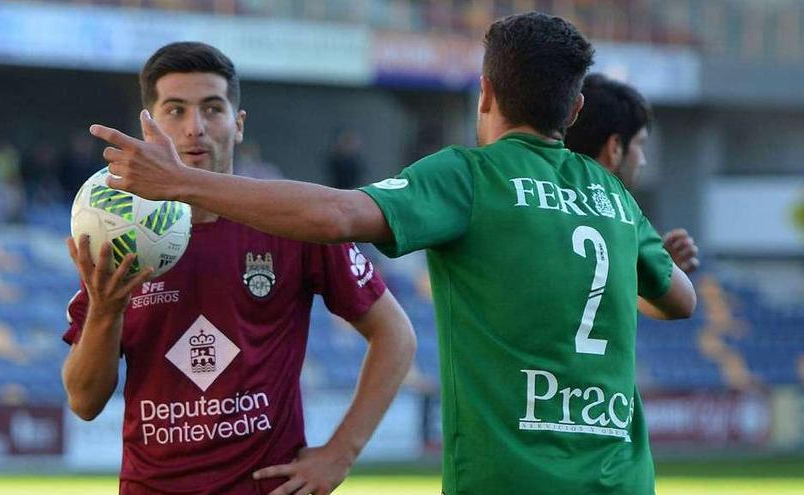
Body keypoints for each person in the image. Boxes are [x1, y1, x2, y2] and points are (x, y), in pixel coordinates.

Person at [90, 13, 697, 495]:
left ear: (484, 93)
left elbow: (338, 216)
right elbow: (679, 299)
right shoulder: (614, 196)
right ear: (574, 109)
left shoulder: (469, 177)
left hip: (510, 480)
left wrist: (183, 182)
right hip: (622, 479)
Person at [63, 42, 416, 495]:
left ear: (239, 123)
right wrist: (106, 312)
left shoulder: (290, 219)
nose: (194, 129)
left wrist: (339, 454)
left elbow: (396, 335)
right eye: (174, 111)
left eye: (212, 109)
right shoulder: (117, 234)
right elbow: (84, 401)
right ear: (148, 127)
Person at [565, 73, 700, 273]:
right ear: (615, 148)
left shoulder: (540, 201)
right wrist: (661, 275)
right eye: (640, 144)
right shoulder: (622, 218)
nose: (643, 160)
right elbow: (685, 302)